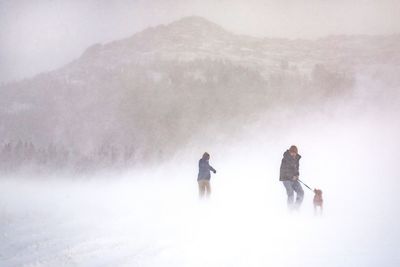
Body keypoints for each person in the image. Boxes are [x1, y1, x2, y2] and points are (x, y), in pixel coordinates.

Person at [279, 145, 304, 210]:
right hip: (285, 178)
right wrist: (292, 176)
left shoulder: (296, 159)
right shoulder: (285, 159)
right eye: (292, 152)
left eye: (294, 153)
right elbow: (284, 170)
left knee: (301, 192)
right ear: (290, 152)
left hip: (294, 179)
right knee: (291, 193)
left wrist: (297, 175)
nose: (293, 154)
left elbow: (296, 169)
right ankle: (290, 210)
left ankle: (296, 207)